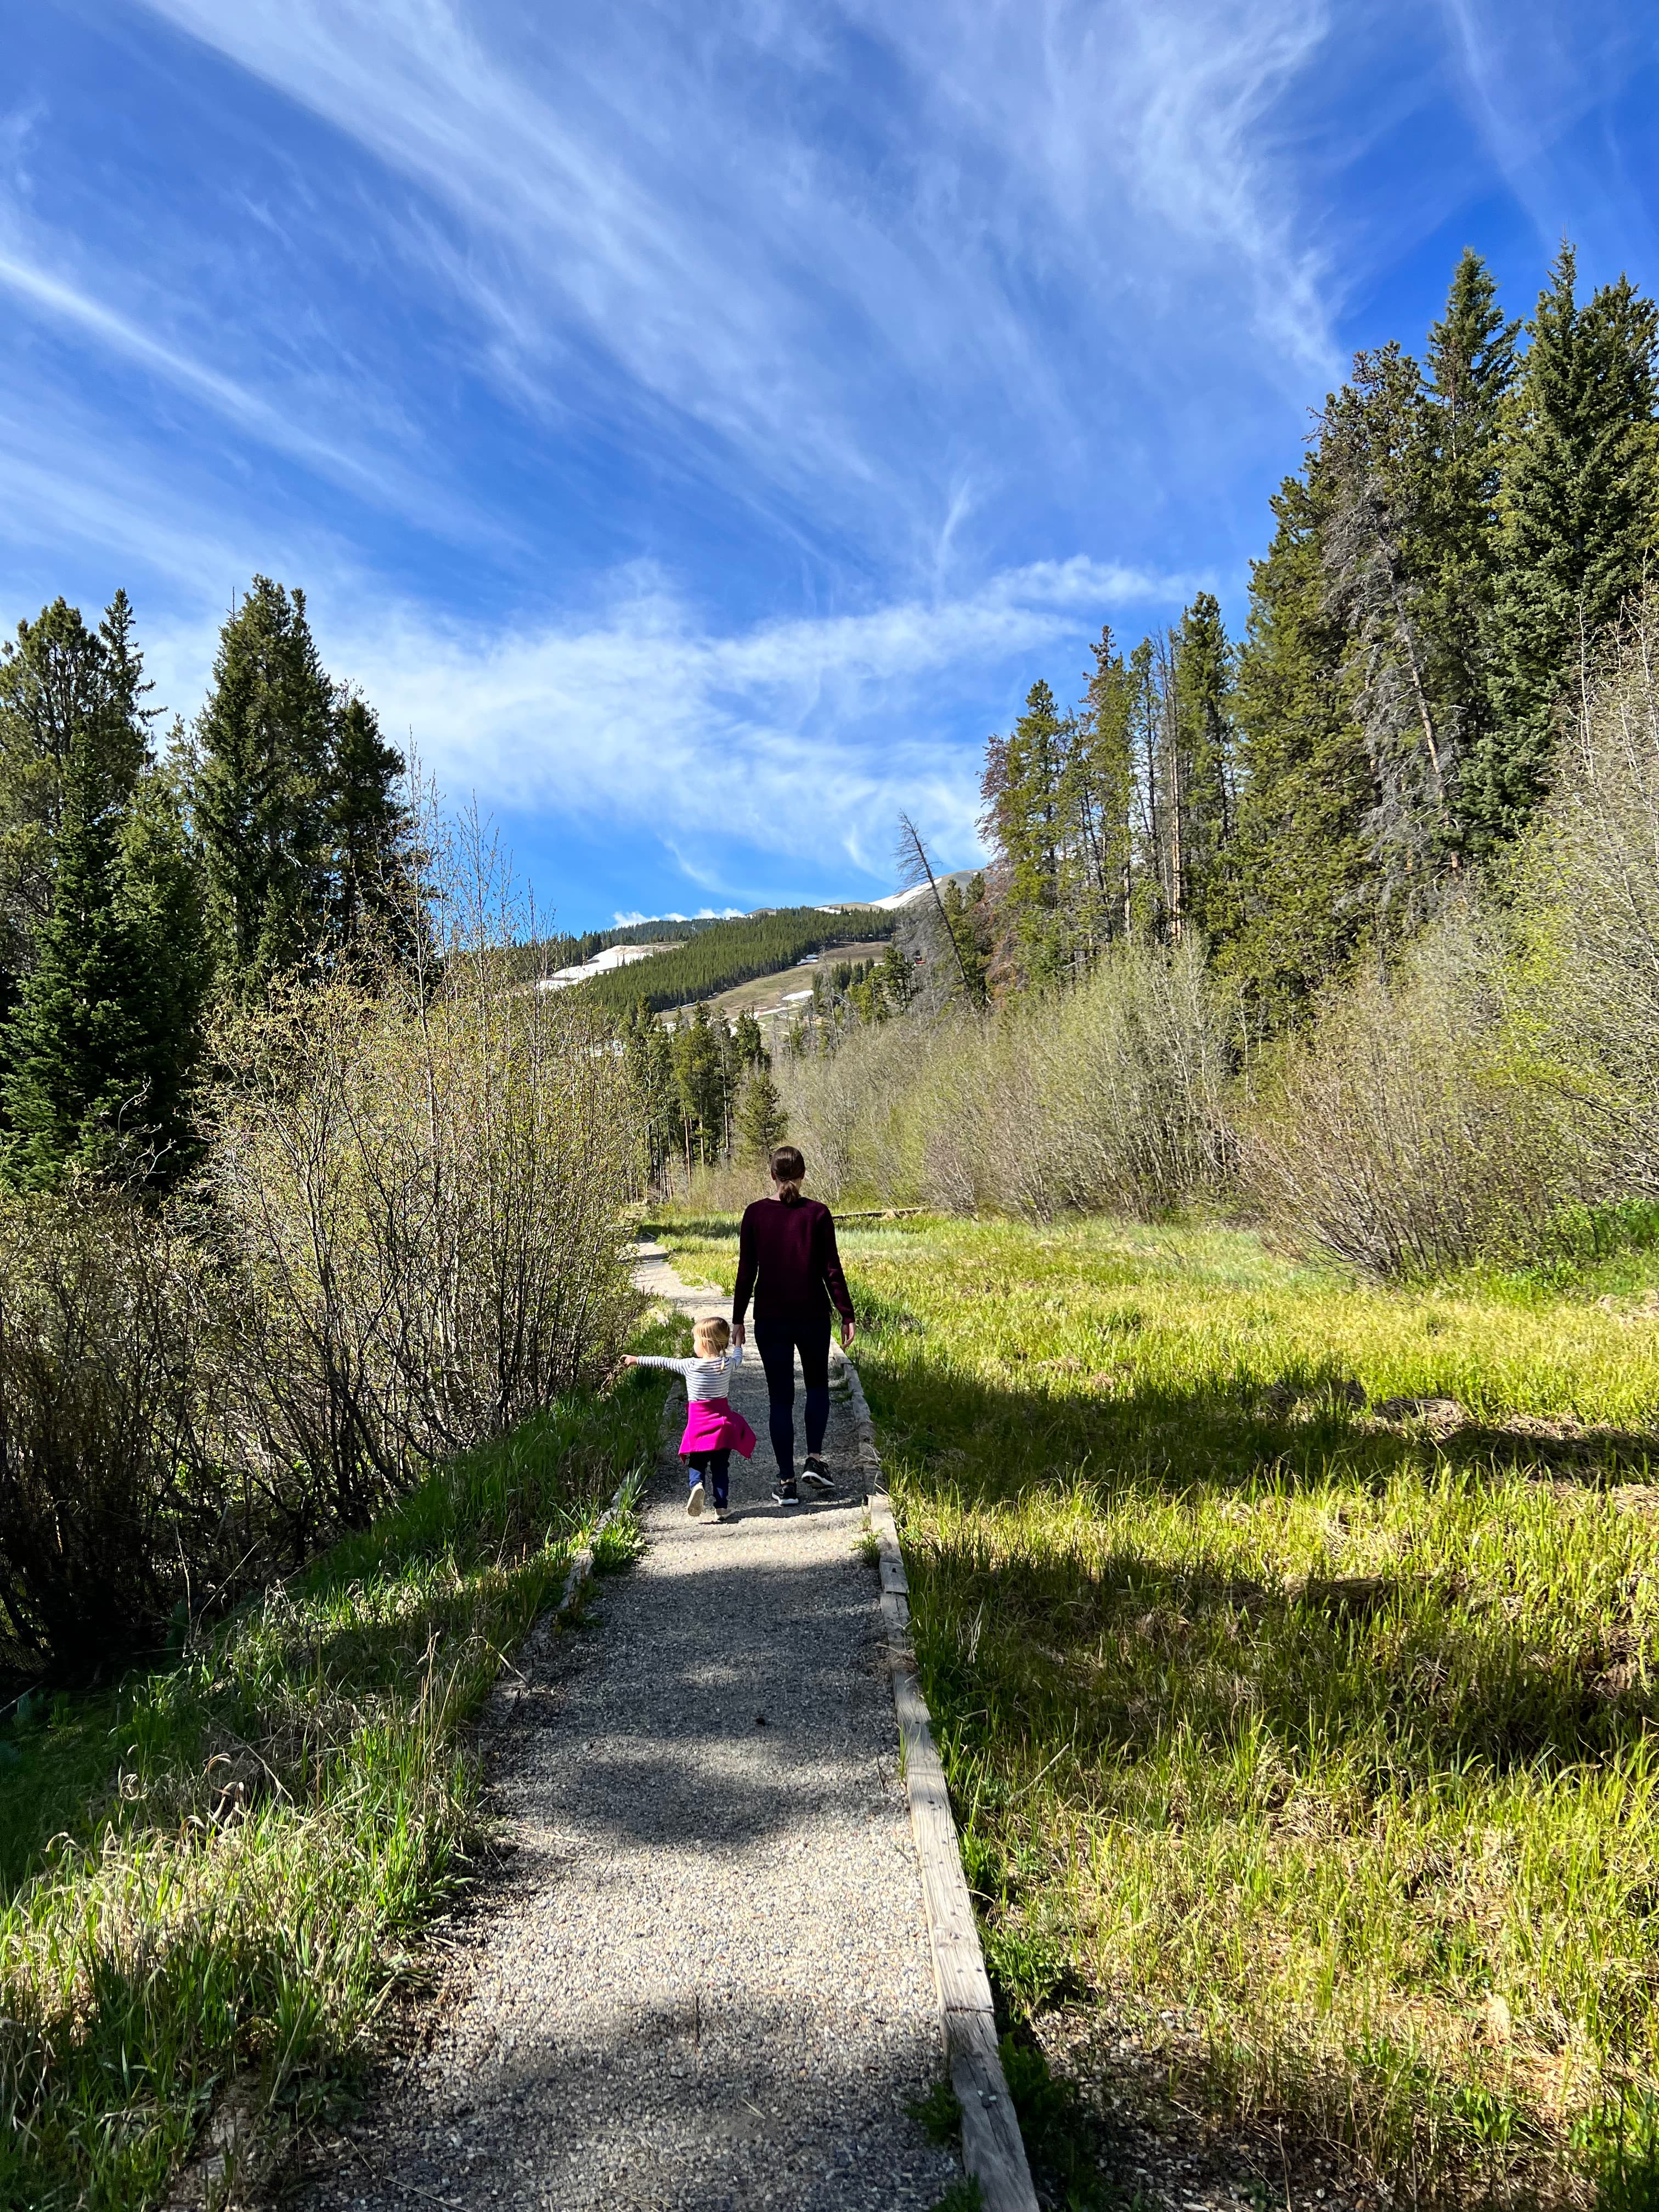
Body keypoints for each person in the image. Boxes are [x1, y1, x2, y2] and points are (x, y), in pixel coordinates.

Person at [730, 1144, 855, 1508]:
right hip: (813, 1316)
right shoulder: (817, 1214)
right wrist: (847, 1314)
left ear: (772, 1175)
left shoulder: (755, 1214)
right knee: (817, 1387)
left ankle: (787, 1483)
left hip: (771, 1319)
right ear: (803, 1175)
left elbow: (746, 1271)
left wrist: (738, 1318)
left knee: (780, 1399)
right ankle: (814, 1459)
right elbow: (832, 1270)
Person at [624, 1315, 755, 1519]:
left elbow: (663, 1362)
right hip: (723, 1429)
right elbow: (739, 1357)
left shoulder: (690, 1366)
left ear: (704, 1342)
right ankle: (721, 1508)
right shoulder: (727, 1364)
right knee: (721, 1468)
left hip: (699, 1428)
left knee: (697, 1463)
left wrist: (637, 1360)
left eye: (695, 1340)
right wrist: (738, 1340)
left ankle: (697, 1485)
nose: (694, 1344)